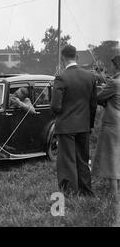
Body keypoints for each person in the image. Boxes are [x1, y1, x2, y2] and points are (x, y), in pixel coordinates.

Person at [50, 45, 97, 196]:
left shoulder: (61, 77)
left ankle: (70, 193)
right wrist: (89, 124)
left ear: (63, 59)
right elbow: (93, 105)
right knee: (83, 160)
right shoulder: (90, 77)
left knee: (67, 161)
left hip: (66, 127)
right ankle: (86, 191)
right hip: (84, 126)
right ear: (76, 57)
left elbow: (55, 106)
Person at [92, 55, 120, 197]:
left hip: (113, 124)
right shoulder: (114, 82)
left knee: (111, 157)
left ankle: (113, 193)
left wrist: (103, 90)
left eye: (113, 66)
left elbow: (99, 98)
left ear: (116, 66)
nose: (111, 68)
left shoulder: (115, 83)